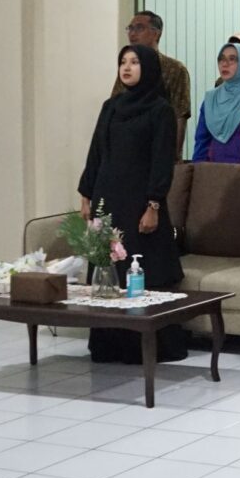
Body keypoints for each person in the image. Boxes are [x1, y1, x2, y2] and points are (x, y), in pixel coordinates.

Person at [80, 45, 188, 363]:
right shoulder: (110, 107)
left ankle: (149, 347)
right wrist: (86, 195)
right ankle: (109, 345)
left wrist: (153, 204)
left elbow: (162, 160)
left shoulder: (160, 110)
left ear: (149, 67)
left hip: (140, 203)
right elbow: (96, 152)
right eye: (123, 62)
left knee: (142, 268)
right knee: (108, 267)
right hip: (107, 200)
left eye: (135, 62)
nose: (126, 68)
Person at [113, 11, 192, 155]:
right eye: (130, 28)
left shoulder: (174, 69)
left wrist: (174, 155)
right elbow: (114, 107)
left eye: (139, 28)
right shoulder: (127, 69)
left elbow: (180, 114)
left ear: (156, 34)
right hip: (124, 149)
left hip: (157, 148)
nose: (132, 33)